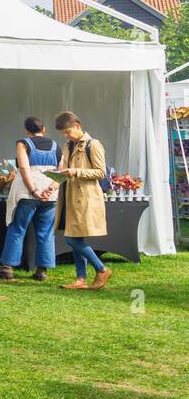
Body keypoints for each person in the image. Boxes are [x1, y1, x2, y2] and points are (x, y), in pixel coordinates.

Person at [0, 117, 59, 281]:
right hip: (50, 194)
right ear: (44, 129)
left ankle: (7, 267)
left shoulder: (23, 143)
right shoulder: (56, 146)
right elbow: (61, 171)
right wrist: (51, 188)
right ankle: (42, 270)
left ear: (27, 131)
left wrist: (34, 190)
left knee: (17, 228)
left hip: (28, 193)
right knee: (46, 232)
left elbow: (24, 168)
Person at [54, 111, 111, 290]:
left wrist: (76, 171)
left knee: (72, 239)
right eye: (63, 133)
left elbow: (101, 172)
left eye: (68, 131)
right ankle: (81, 279)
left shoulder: (93, 145)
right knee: (75, 237)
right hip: (71, 196)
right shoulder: (67, 145)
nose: (65, 135)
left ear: (77, 126)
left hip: (86, 198)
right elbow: (64, 166)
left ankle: (101, 269)